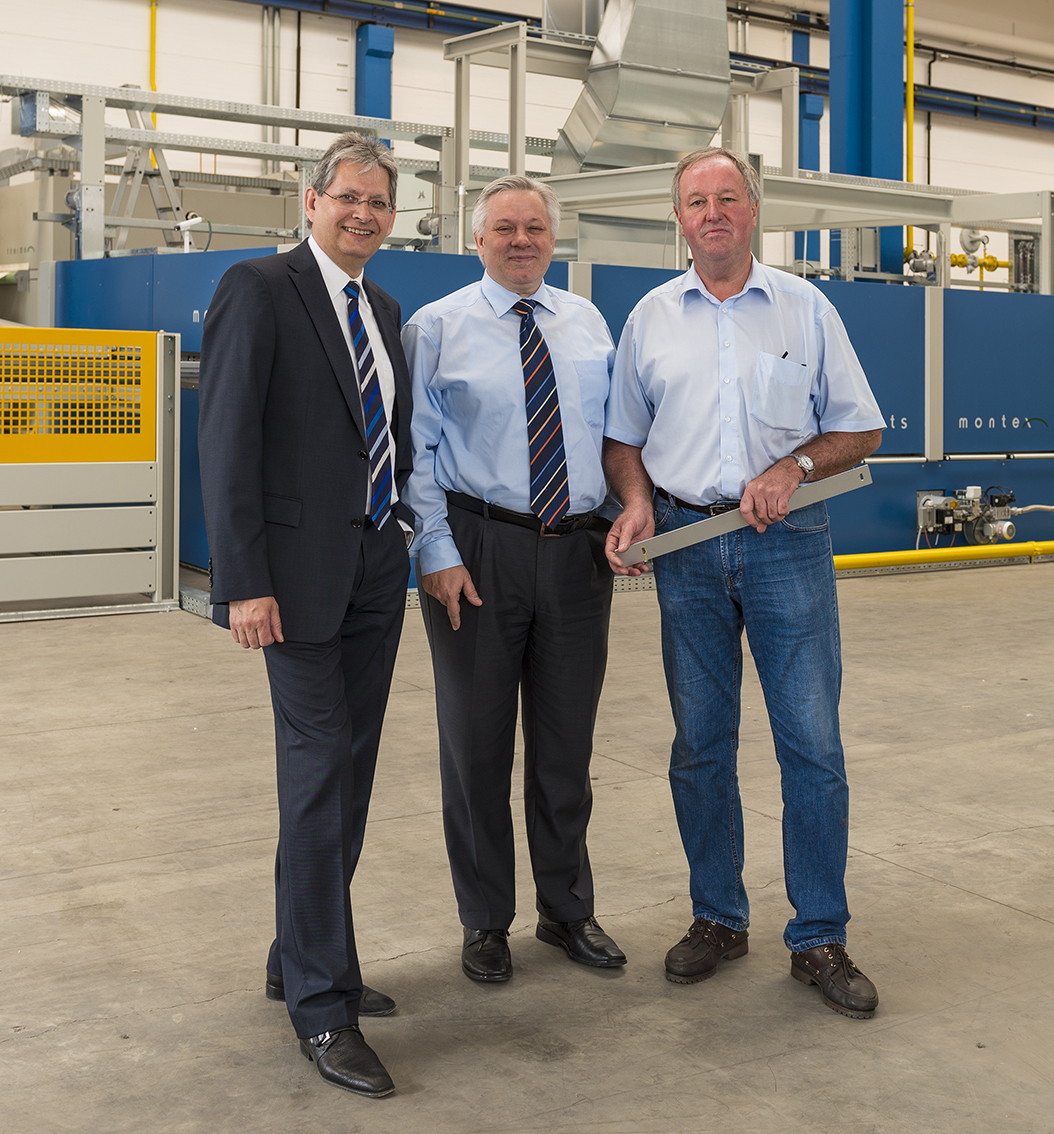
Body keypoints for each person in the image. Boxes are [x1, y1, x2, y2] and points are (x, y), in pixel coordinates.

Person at [603, 147, 885, 1019]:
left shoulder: (806, 307)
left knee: (811, 742)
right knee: (700, 742)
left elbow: (859, 429)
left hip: (787, 541)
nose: (713, 213)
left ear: (753, 211)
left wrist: (794, 465)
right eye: (696, 201)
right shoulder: (651, 317)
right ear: (679, 220)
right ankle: (718, 917)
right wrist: (639, 504)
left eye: (728, 198)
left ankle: (820, 935)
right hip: (686, 543)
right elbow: (622, 438)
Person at [198, 132, 413, 1097]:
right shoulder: (261, 288)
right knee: (319, 772)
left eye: (380, 202)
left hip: (375, 568)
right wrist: (242, 581)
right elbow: (226, 438)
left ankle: (297, 954)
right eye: (349, 197)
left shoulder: (385, 308)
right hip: (290, 580)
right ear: (312, 200)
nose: (363, 213)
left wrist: (405, 536)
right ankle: (322, 1009)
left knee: (351, 774)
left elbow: (389, 439)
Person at [402, 174, 625, 984]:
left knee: (566, 747)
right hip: (478, 552)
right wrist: (436, 552)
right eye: (504, 227)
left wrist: (622, 515)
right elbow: (414, 455)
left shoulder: (589, 323)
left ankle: (568, 912)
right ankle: (484, 921)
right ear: (477, 238)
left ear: (553, 238)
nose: (521, 239)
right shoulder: (437, 328)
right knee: (477, 747)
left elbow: (616, 438)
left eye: (534, 226)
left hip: (575, 554)